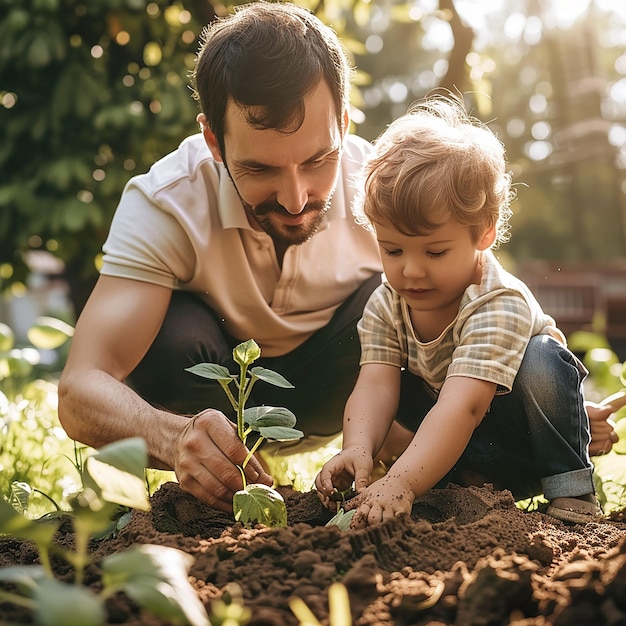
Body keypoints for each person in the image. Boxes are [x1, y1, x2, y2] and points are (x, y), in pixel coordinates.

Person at [58, 2, 616, 514]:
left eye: (318, 159)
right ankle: (219, 471)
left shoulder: (391, 196)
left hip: (354, 386)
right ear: (213, 140)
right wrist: (172, 435)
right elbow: (80, 389)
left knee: (391, 298)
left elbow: (474, 315)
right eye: (260, 169)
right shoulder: (166, 202)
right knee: (171, 334)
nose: (297, 198)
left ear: (345, 123)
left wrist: (542, 416)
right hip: (219, 393)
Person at [315, 96, 609, 527]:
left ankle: (571, 491)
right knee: (396, 382)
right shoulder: (387, 302)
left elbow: (464, 406)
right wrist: (359, 447)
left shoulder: (497, 302)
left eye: (435, 251)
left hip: (522, 443)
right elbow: (375, 384)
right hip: (459, 449)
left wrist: (403, 482)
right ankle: (456, 485)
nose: (411, 270)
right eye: (392, 249)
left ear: (484, 233)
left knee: (542, 361)